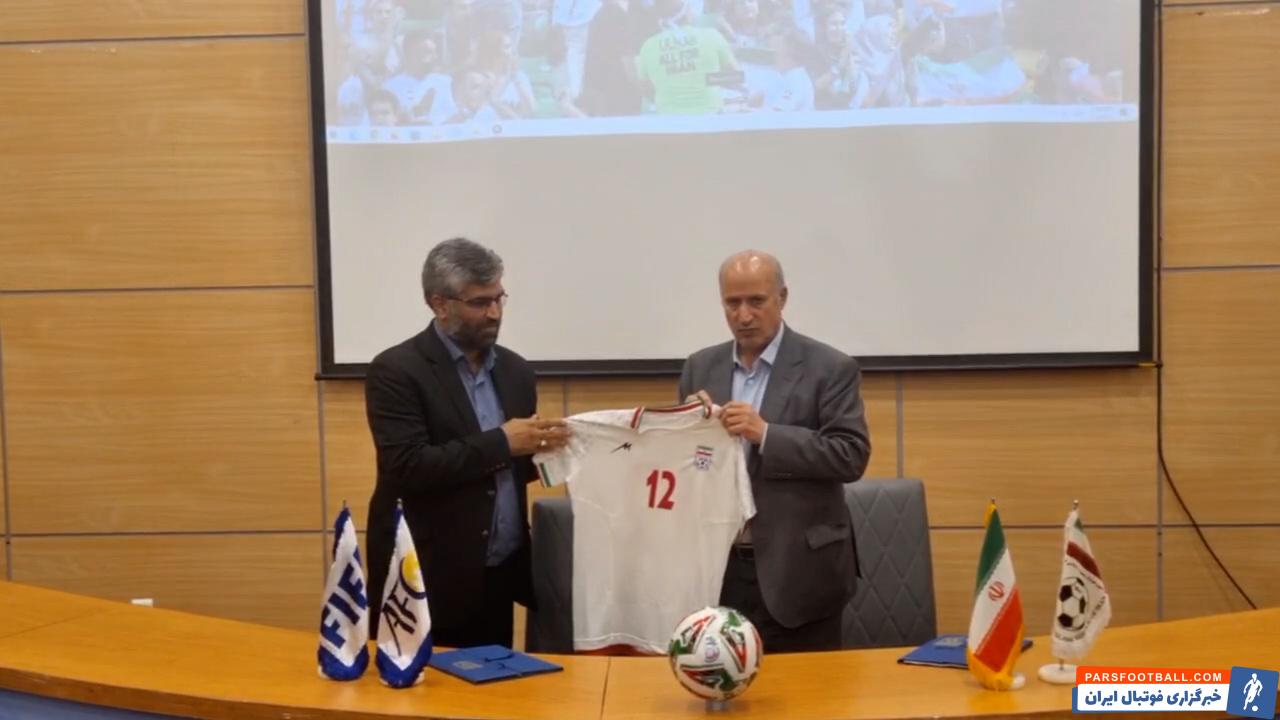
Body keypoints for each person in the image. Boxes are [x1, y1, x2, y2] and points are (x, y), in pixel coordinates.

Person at [364, 237, 570, 648]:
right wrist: (503, 442)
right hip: (424, 576)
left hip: (497, 573)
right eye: (480, 302)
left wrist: (549, 451)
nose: (494, 313)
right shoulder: (396, 371)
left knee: (495, 685)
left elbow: (506, 471)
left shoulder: (515, 371)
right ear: (439, 304)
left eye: (499, 298)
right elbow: (408, 467)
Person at [678, 250, 871, 652]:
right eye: (732, 303)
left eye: (756, 301)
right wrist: (688, 431)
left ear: (782, 298)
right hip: (720, 569)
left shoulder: (830, 367)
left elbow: (850, 454)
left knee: (808, 690)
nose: (744, 315)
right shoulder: (700, 368)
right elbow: (689, 465)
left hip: (799, 573)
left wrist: (766, 434)